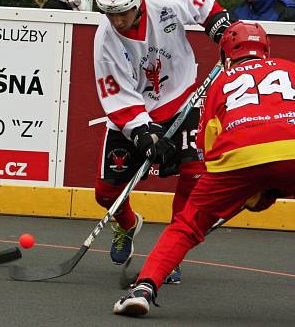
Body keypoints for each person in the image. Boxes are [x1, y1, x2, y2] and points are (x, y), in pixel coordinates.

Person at [113, 21, 295, 317]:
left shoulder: (220, 82)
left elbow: (207, 144)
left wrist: (245, 188)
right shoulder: (290, 67)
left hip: (239, 155)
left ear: (225, 56)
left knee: (186, 226)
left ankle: (144, 289)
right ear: (266, 51)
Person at [92, 0, 233, 284]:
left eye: (122, 13)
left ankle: (170, 255)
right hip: (135, 115)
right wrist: (143, 133)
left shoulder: (165, 2)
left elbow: (203, 4)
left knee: (194, 178)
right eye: (109, 13)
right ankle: (127, 224)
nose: (116, 21)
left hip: (182, 100)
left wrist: (225, 35)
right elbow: (118, 97)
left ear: (137, 1)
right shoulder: (105, 40)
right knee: (106, 193)